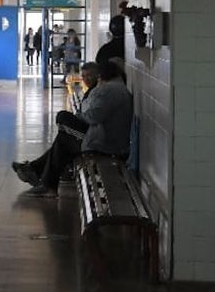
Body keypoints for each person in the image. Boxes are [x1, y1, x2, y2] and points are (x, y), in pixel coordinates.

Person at [22, 59, 132, 197]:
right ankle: (43, 180)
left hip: (103, 145)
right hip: (105, 139)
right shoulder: (117, 88)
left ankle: (42, 178)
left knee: (63, 121)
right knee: (63, 138)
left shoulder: (109, 90)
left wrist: (82, 112)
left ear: (102, 75)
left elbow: (92, 115)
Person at [11, 62, 100, 186]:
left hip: (92, 139)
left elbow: (92, 117)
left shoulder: (98, 92)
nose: (86, 79)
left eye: (90, 75)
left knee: (63, 126)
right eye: (84, 76)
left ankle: (37, 173)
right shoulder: (92, 91)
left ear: (98, 75)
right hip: (89, 133)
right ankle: (36, 171)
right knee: (63, 138)